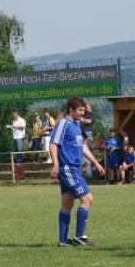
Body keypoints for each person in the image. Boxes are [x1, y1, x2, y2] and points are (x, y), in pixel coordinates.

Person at [50, 97, 105, 247]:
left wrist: (95, 163)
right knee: (88, 199)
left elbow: (83, 147)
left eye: (83, 110)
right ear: (71, 110)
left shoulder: (75, 124)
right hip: (68, 168)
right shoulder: (63, 123)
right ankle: (79, 236)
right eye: (80, 110)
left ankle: (63, 241)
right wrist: (55, 164)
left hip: (73, 168)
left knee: (67, 203)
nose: (83, 113)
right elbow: (53, 143)